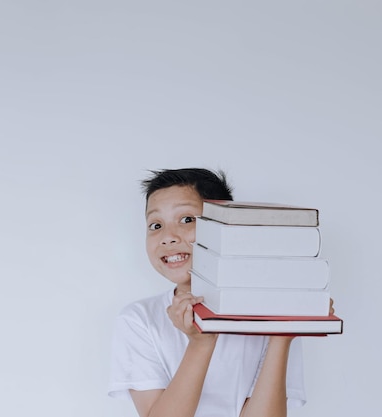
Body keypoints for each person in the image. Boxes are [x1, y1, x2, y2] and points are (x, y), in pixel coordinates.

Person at [108, 168, 318, 417]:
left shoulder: (272, 315)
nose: (167, 237)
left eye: (187, 220)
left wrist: (282, 335)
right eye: (156, 225)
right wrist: (200, 343)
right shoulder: (139, 319)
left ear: (225, 227)